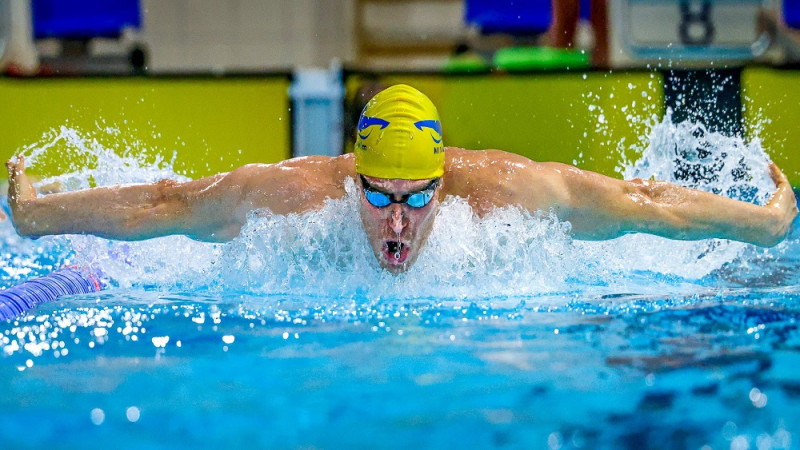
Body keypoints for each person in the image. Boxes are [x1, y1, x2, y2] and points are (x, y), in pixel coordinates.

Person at [5, 84, 798, 273]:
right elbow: (167, 202)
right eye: (379, 197)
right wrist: (39, 217)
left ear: (443, 186)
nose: (397, 222)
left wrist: (763, 223)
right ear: (352, 180)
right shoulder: (297, 194)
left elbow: (641, 203)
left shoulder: (507, 194)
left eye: (418, 199)